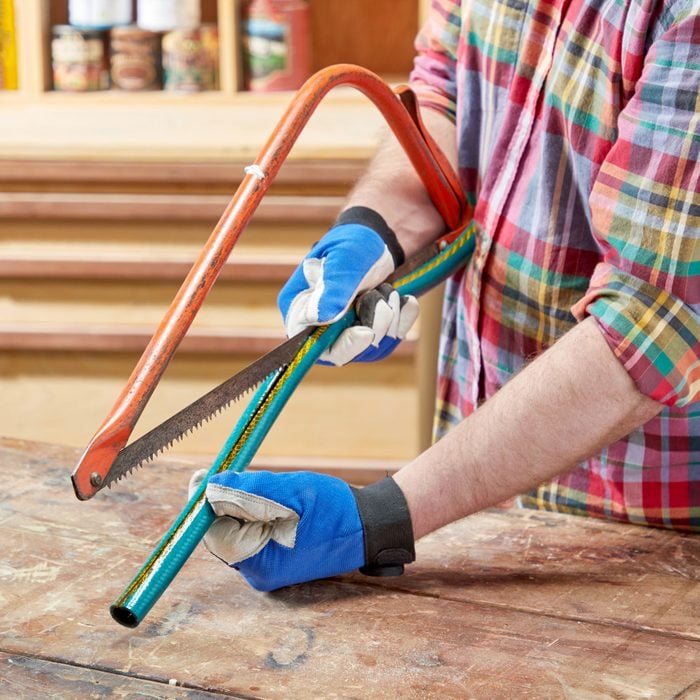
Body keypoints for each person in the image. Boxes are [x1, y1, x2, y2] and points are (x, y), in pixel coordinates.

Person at [190, 0, 700, 591]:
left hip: (646, 542)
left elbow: (650, 324)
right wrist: (375, 230)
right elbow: (441, 93)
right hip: (476, 494)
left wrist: (383, 514)